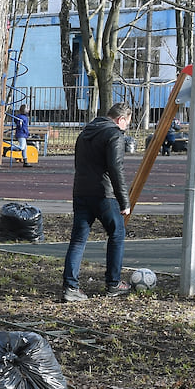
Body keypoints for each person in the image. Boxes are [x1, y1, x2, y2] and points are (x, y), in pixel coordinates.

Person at [62, 102, 133, 302]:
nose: (125, 128)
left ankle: (70, 286)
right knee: (117, 233)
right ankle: (113, 283)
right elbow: (116, 168)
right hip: (104, 193)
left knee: (78, 239)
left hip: (81, 191)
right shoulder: (114, 135)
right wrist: (124, 201)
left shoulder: (86, 132)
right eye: (126, 124)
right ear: (121, 119)